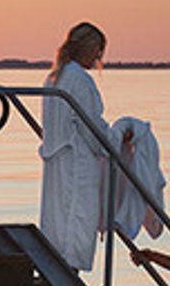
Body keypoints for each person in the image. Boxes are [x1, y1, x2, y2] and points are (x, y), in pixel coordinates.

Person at [38, 22, 132, 271]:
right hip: (77, 165)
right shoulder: (80, 80)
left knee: (58, 223)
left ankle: (56, 275)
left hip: (57, 163)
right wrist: (120, 133)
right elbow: (93, 130)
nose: (99, 57)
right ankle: (70, 278)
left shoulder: (54, 77)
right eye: (98, 51)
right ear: (90, 48)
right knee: (76, 222)